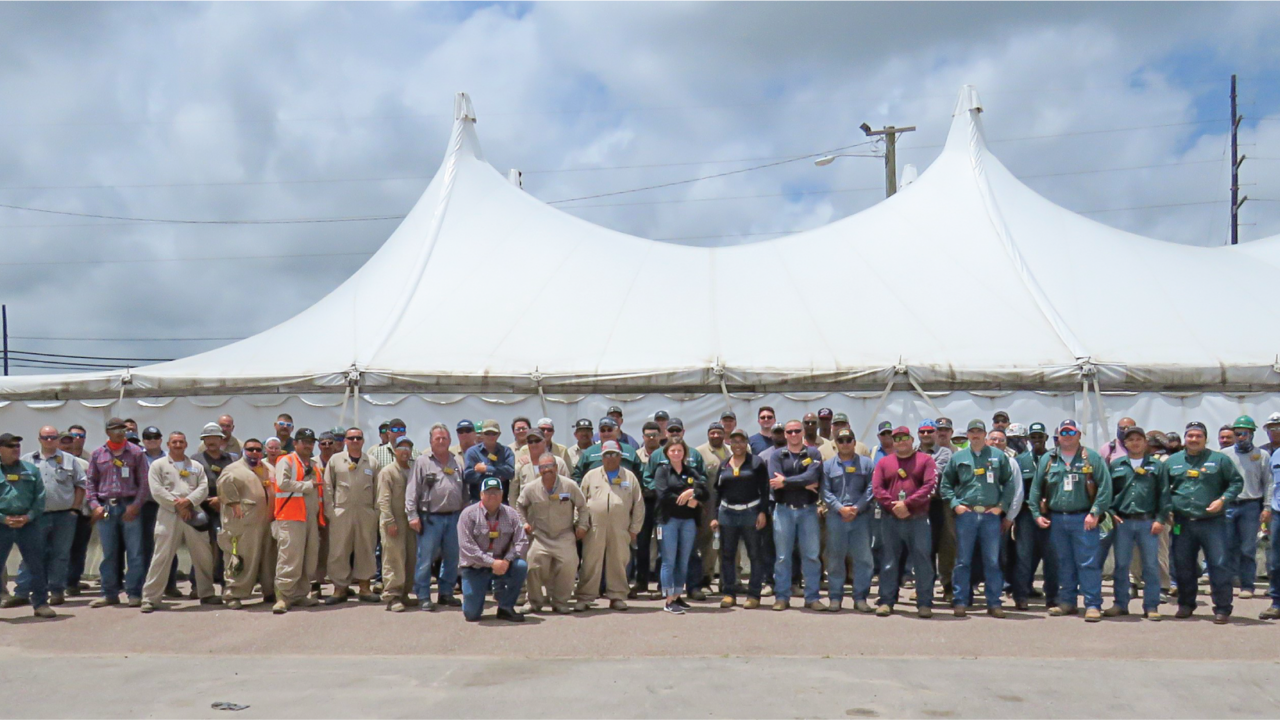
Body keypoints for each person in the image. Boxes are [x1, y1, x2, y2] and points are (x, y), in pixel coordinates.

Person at [1030, 420, 1112, 622]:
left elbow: (1105, 487)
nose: (1067, 436)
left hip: (1083, 518)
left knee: (1088, 563)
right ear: (1057, 436)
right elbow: (1035, 488)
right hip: (1057, 518)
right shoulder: (1049, 459)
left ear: (1079, 435)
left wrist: (1095, 512)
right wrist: (1036, 514)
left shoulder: (1091, 457)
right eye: (1063, 432)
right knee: (1064, 562)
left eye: (1071, 432)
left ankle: (1093, 604)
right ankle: (1067, 601)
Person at [1164, 421, 1244, 623]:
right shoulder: (1172, 462)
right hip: (1183, 522)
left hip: (1212, 522)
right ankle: (1186, 604)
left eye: (1198, 436)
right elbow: (1162, 489)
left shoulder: (1219, 460)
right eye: (1190, 436)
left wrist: (1222, 500)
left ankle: (1223, 608)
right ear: (1185, 438)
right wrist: (1166, 511)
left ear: (1205, 439)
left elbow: (1236, 482)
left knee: (1219, 565)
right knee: (1183, 565)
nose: (1194, 439)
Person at [939, 419, 1015, 618]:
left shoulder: (999, 456)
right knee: (963, 561)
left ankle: (994, 603)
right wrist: (956, 505)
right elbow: (945, 485)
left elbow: (1009, 484)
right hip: (967, 515)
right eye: (971, 432)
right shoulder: (958, 457)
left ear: (985, 434)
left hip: (991, 515)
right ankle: (960, 601)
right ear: (967, 435)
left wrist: (1001, 507)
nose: (975, 435)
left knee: (992, 561)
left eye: (979, 432)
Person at [140, 432, 218, 612]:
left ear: (186, 444)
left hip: (193, 512)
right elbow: (156, 490)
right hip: (169, 514)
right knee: (162, 556)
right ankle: (151, 598)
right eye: (174, 442)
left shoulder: (196, 466)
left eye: (181, 442)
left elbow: (203, 487)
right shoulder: (158, 465)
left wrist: (189, 502)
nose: (177, 445)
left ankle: (206, 592)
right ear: (168, 444)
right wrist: (177, 505)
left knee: (203, 555)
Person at [7, 427, 85, 608]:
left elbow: (81, 485)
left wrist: (74, 509)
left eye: (53, 438)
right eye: (46, 438)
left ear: (58, 439)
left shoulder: (70, 460)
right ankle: (22, 592)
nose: (49, 441)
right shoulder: (26, 460)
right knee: (30, 554)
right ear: (39, 439)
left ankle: (56, 591)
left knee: (60, 555)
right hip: (35, 517)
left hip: (64, 516)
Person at [1098, 426, 1168, 620]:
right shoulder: (1116, 465)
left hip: (1148, 522)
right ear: (1124, 443)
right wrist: (1111, 513)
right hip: (1123, 522)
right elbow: (1108, 492)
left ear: (1145, 442)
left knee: (1151, 565)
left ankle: (1151, 605)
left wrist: (1161, 519)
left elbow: (1164, 494)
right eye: (1131, 440)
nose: (1135, 442)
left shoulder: (1157, 465)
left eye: (1139, 439)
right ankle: (1120, 603)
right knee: (1121, 565)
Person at [872, 425, 937, 618]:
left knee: (922, 561)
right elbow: (877, 488)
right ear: (893, 442)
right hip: (890, 519)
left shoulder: (925, 460)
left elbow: (930, 485)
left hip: (917, 519)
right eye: (897, 439)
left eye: (904, 438)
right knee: (889, 561)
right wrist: (893, 506)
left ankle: (924, 603)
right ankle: (886, 601)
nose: (901, 442)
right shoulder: (884, 462)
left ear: (911, 440)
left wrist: (908, 504)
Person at [86, 417, 151, 608]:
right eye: (115, 429)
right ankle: (109, 593)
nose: (120, 432)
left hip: (129, 506)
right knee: (109, 553)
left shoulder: (136, 453)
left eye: (122, 429)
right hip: (106, 507)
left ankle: (134, 593)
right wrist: (94, 505)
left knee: (135, 553)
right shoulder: (98, 454)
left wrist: (136, 505)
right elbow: (90, 482)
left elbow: (144, 482)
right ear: (107, 432)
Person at [576, 442, 644, 611]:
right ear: (602, 457)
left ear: (620, 456)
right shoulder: (591, 476)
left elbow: (639, 504)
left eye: (614, 454)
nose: (610, 458)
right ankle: (585, 597)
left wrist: (635, 528)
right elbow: (581, 503)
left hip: (620, 527)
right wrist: (581, 525)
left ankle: (617, 596)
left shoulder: (629, 477)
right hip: (594, 526)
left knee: (618, 562)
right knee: (591, 561)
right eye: (607, 454)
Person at [516, 453, 587, 613]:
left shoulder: (569, 486)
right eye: (543, 467)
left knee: (569, 565)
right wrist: (524, 523)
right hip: (541, 536)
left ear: (556, 467)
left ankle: (560, 602)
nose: (547, 470)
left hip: (565, 534)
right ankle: (534, 602)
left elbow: (582, 506)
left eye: (550, 466)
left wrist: (582, 525)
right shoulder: (531, 488)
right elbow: (519, 506)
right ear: (539, 470)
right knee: (532, 564)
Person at [767, 420, 825, 612]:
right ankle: (782, 597)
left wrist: (787, 482)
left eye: (796, 431)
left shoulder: (813, 453)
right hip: (783, 510)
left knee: (811, 556)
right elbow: (775, 482)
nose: (793, 434)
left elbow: (812, 477)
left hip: (808, 509)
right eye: (789, 431)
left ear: (802, 432)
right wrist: (800, 483)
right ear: (784, 434)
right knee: (783, 557)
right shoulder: (777, 455)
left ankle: (812, 597)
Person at [407, 424, 467, 610]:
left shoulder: (457, 462)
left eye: (444, 438)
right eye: (437, 438)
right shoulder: (422, 462)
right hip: (429, 519)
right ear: (431, 442)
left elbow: (464, 490)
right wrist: (412, 515)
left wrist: (465, 516)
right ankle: (423, 595)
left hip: (454, 518)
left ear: (450, 440)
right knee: (425, 559)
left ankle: (446, 593)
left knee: (451, 558)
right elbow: (412, 490)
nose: (441, 441)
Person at [458, 477, 529, 622]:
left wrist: (507, 560)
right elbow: (467, 547)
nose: (493, 495)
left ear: (502, 495)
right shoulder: (468, 514)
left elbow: (521, 541)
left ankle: (506, 607)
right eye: (488, 492)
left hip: (503, 563)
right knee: (472, 615)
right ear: (481, 495)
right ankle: (474, 598)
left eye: (496, 492)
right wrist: (491, 563)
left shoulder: (512, 514)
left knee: (521, 566)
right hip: (475, 567)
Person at [0, 433, 56, 618]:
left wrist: (28, 516)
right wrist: (3, 518)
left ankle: (40, 604)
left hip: (28, 524)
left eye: (17, 445)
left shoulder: (30, 470)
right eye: (10, 446)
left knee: (36, 565)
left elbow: (40, 498)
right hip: (2, 524)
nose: (16, 449)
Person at [323, 426, 381, 604]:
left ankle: (365, 588)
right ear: (345, 441)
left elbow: (379, 489)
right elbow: (327, 487)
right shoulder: (335, 460)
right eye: (351, 438)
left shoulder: (371, 462)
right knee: (338, 550)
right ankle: (339, 589)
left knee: (366, 549)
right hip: (341, 511)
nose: (355, 441)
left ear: (363, 441)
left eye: (358, 438)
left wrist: (375, 513)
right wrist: (331, 512)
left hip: (365, 511)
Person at [270, 428, 325, 614]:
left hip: (310, 518)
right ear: (295, 443)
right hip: (290, 516)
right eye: (304, 441)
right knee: (289, 558)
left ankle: (301, 594)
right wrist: (307, 486)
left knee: (309, 559)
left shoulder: (314, 465)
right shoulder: (286, 460)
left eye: (311, 442)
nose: (308, 445)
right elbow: (282, 483)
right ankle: (283, 597)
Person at [217, 438, 276, 609]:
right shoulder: (233, 469)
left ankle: (269, 590)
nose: (255, 453)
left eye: (258, 449)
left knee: (268, 559)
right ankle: (233, 594)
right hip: (243, 523)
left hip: (266, 521)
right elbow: (224, 488)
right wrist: (234, 503)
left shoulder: (268, 468)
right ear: (244, 450)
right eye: (251, 449)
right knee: (241, 558)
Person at [713, 428, 768, 609]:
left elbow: (765, 490)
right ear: (730, 443)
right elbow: (717, 492)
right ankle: (729, 593)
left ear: (746, 443)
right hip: (727, 514)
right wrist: (715, 516)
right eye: (734, 441)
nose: (738, 445)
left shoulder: (756, 463)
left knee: (755, 555)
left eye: (741, 441)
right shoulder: (724, 465)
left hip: (750, 512)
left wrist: (762, 512)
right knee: (727, 555)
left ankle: (753, 595)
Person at [822, 428, 876, 613]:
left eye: (848, 440)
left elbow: (872, 488)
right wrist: (840, 508)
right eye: (841, 440)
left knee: (863, 559)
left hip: (861, 517)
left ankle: (860, 598)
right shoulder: (828, 465)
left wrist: (857, 508)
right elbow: (825, 491)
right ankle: (835, 598)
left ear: (854, 442)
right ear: (836, 443)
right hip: (836, 517)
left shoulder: (867, 464)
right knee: (835, 558)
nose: (845, 443)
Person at [655, 439, 707, 615]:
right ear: (667, 453)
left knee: (683, 560)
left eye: (679, 451)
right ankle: (668, 599)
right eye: (673, 451)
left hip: (688, 522)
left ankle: (678, 595)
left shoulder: (691, 471)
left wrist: (692, 493)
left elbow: (704, 491)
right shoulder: (662, 471)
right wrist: (685, 500)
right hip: (668, 521)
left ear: (684, 453)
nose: (676, 454)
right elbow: (663, 494)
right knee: (668, 561)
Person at [1224, 415, 1272, 599]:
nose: (1241, 437)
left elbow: (1268, 483)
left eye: (1245, 433)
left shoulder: (1262, 455)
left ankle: (1247, 585)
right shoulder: (1225, 455)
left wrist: (1266, 507)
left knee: (1247, 548)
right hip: (1228, 505)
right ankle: (1225, 585)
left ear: (1252, 434)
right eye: (1238, 433)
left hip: (1250, 506)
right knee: (1226, 547)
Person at [1012, 422, 1058, 610]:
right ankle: (1021, 595)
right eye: (1033, 437)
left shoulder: (1055, 459)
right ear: (1028, 439)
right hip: (1026, 514)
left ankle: (1053, 597)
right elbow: (1016, 489)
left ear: (1046, 438)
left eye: (1040, 437)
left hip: (1051, 514)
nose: (1037, 440)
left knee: (1052, 557)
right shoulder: (1020, 460)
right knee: (1024, 556)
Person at [194, 422, 237, 595]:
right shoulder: (195, 461)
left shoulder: (232, 460)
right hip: (201, 508)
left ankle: (228, 584)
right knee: (201, 548)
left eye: (214, 438)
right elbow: (190, 485)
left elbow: (238, 484)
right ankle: (197, 585)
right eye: (207, 438)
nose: (211, 441)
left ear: (222, 440)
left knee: (226, 547)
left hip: (226, 508)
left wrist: (222, 500)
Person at [376, 436, 417, 612]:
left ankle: (405, 593)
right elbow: (383, 500)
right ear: (395, 451)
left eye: (408, 447)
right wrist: (389, 521)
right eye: (402, 447)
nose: (405, 451)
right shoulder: (388, 472)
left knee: (409, 558)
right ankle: (392, 596)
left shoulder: (414, 470)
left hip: (410, 521)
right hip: (394, 520)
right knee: (393, 557)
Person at [694, 422, 730, 593]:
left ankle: (729, 580)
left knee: (730, 544)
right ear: (708, 434)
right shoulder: (700, 452)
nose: (716, 436)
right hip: (709, 507)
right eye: (712, 433)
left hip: (731, 505)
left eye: (719, 433)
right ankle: (706, 578)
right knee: (709, 542)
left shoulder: (732, 450)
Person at [631, 421, 664, 599]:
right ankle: (641, 581)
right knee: (641, 544)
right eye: (648, 435)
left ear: (660, 436)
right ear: (642, 437)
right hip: (642, 504)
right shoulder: (636, 455)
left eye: (654, 435)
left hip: (661, 504)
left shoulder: (666, 454)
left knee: (662, 543)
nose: (651, 438)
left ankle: (661, 582)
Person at [509, 431, 570, 506]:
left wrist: (553, 498)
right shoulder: (520, 466)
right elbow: (513, 495)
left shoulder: (559, 463)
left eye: (537, 441)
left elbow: (568, 494)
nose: (533, 444)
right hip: (529, 514)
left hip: (556, 513)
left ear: (544, 442)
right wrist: (516, 515)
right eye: (530, 442)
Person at [463, 420, 516, 503]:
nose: (490, 436)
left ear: (499, 435)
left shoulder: (506, 452)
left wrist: (486, 469)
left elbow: (510, 472)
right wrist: (498, 474)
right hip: (478, 501)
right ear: (482, 434)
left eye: (494, 433)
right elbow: (468, 476)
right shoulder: (472, 452)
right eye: (487, 433)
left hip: (501, 502)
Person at [1265, 440, 1280, 619]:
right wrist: (1267, 507)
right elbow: (1271, 484)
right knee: (1276, 562)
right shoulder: (1275, 455)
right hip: (1278, 513)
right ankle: (1277, 603)